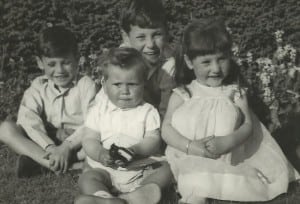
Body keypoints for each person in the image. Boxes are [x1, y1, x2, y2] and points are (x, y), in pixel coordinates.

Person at [161, 18, 299, 204]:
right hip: (187, 154)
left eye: (222, 59)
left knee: (229, 180)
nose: (216, 68)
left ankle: (205, 190)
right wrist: (190, 146)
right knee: (193, 176)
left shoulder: (234, 92)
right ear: (189, 62)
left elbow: (249, 125)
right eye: (206, 62)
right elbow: (167, 128)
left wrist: (228, 141)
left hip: (228, 157)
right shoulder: (183, 93)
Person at [75, 47, 171, 204]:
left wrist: (135, 150)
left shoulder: (147, 111)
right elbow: (90, 139)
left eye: (132, 84)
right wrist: (100, 153)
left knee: (168, 170)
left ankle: (138, 194)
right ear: (104, 85)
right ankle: (105, 198)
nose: (125, 91)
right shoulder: (99, 110)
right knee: (87, 178)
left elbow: (153, 140)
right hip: (106, 169)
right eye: (117, 84)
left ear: (143, 84)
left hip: (141, 168)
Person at [0, 26, 97, 177]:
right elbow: (28, 119)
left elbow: (93, 122)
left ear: (77, 60)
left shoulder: (86, 85)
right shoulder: (38, 86)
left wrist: (67, 146)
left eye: (66, 63)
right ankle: (56, 164)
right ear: (40, 63)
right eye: (51, 64)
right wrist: (51, 147)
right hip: (46, 143)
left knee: (103, 136)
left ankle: (44, 164)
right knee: (6, 128)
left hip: (77, 143)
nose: (59, 71)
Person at [119, 0, 176, 118]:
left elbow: (168, 111)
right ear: (126, 37)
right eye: (141, 37)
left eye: (157, 35)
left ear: (166, 32)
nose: (150, 44)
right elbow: (107, 100)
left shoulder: (170, 64)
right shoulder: (120, 60)